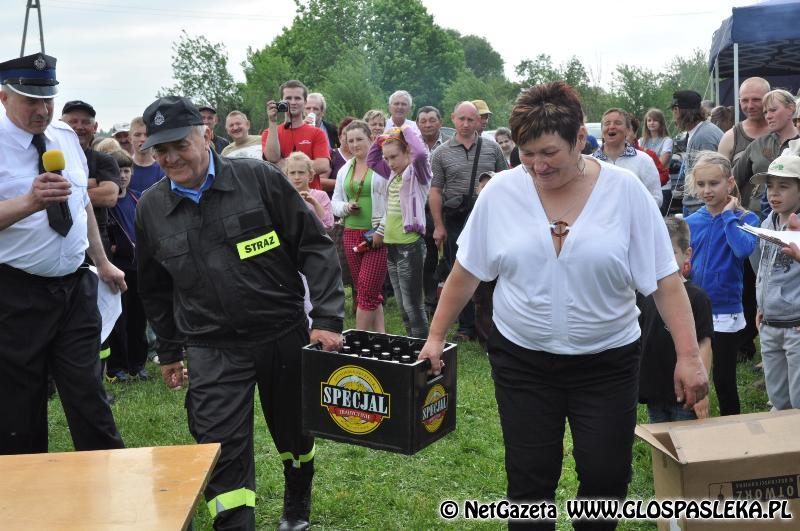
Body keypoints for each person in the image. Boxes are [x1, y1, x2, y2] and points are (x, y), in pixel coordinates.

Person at [419, 82, 707, 531]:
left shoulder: (625, 192)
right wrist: (436, 336)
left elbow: (666, 282)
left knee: (605, 478)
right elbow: (465, 271)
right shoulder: (501, 193)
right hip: (523, 360)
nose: (537, 165)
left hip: (607, 361)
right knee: (529, 482)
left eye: (549, 152)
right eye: (528, 153)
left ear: (579, 140)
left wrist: (689, 357)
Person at [135, 96, 344, 531]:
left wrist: (325, 319)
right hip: (212, 346)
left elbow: (314, 247)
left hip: (281, 333)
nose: (171, 157)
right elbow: (153, 287)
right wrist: (170, 350)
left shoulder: (259, 179)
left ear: (205, 136)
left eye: (179, 145)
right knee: (219, 447)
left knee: (294, 433)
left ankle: (297, 499)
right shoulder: (151, 207)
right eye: (160, 150)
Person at [0, 52, 126, 455]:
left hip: (75, 287)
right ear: (3, 97)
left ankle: (108, 482)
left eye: (48, 99)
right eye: (29, 100)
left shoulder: (66, 138)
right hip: (17, 293)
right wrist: (27, 202)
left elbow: (82, 206)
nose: (42, 110)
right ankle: (24, 497)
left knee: (88, 391)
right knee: (21, 403)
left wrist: (102, 261)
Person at [685, 151, 758, 416]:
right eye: (701, 184)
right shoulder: (691, 222)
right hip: (694, 309)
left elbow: (741, 250)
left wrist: (728, 216)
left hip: (726, 310)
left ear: (729, 183)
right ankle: (693, 423)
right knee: (694, 371)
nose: (706, 190)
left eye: (713, 184)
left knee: (724, 378)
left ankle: (731, 428)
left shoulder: (747, 220)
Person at [429, 101, 508, 342]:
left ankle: (496, 323)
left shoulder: (492, 148)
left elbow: (505, 181)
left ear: (479, 121)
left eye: (470, 119)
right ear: (453, 119)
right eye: (461, 119)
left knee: (493, 271)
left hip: (488, 216)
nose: (465, 124)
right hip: (455, 218)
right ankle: (466, 326)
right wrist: (438, 225)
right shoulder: (440, 152)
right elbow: (435, 191)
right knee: (459, 269)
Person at [638, 216, 714, 423]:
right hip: (655, 390)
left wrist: (702, 393)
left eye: (669, 253)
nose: (659, 259)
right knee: (661, 442)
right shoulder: (644, 295)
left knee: (687, 446)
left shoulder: (698, 298)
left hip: (686, 393)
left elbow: (704, 344)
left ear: (687, 254)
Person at [368, 125, 431, 338]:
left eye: (394, 157)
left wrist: (404, 130)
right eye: (387, 158)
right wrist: (380, 140)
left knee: (413, 304)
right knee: (403, 305)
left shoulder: (418, 173)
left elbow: (421, 153)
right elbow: (372, 161)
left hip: (410, 246)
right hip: (392, 245)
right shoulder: (392, 173)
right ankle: (411, 346)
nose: (390, 163)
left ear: (407, 153)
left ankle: (423, 348)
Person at [751, 155, 800, 410]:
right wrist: (761, 305)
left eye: (784, 186)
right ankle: (779, 448)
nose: (774, 193)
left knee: (798, 400)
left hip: (796, 327)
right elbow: (764, 268)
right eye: (770, 186)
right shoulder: (767, 222)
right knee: (778, 399)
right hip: (770, 324)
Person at [332, 120, 388, 332]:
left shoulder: (382, 166)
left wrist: (382, 230)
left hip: (375, 235)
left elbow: (393, 201)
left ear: (371, 139)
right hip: (350, 234)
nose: (355, 144)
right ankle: (380, 336)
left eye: (359, 139)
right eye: (350, 140)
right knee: (367, 291)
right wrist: (346, 207)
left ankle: (359, 339)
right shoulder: (344, 169)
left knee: (365, 292)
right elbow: (334, 203)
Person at [106, 149, 148, 382]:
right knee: (118, 320)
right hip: (116, 269)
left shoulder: (137, 198)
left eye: (126, 171)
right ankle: (117, 367)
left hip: (137, 267)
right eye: (118, 171)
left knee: (138, 318)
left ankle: (137, 364)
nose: (122, 176)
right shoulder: (107, 204)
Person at [61, 100, 121, 257]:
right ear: (61, 124)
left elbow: (108, 197)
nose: (79, 127)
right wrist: (89, 184)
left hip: (98, 241)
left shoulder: (104, 160)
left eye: (85, 122)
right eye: (73, 121)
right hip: (57, 240)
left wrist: (60, 192)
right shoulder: (45, 156)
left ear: (95, 128)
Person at [733, 89, 799, 219]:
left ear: (791, 109)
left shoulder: (798, 144)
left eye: (773, 110)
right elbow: (733, 180)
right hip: (757, 219)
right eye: (765, 112)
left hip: (794, 221)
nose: (768, 116)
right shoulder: (758, 144)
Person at [263, 80, 333, 191]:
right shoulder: (269, 132)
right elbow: (272, 158)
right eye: (288, 98)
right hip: (281, 196)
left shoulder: (317, 132)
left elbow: (323, 165)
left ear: (305, 102)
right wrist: (272, 121)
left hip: (311, 198)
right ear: (281, 101)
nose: (293, 102)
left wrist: (285, 165)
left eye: (297, 98)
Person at [592, 108, 662, 207]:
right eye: (607, 123)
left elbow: (656, 197)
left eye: (618, 123)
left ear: (628, 130)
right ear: (602, 130)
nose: (612, 126)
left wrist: (634, 215)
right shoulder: (590, 163)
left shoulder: (644, 160)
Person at [672, 90, 724, 216]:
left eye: (673, 110)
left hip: (701, 209)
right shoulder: (699, 132)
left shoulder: (704, 136)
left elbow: (710, 178)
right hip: (697, 207)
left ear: (677, 111)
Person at [718, 77, 771, 163]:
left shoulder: (782, 132)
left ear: (768, 99)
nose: (750, 106)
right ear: (739, 102)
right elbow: (721, 174)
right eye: (745, 100)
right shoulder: (730, 138)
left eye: (756, 100)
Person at [286, 152, 334, 230]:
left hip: (316, 241)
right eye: (292, 173)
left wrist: (314, 203)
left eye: (301, 172)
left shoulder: (321, 195)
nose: (297, 177)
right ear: (286, 175)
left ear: (311, 175)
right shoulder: (283, 197)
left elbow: (329, 225)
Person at [640, 108, 674, 212]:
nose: (651, 123)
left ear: (661, 122)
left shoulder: (667, 141)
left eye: (655, 120)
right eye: (649, 120)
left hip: (662, 187)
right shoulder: (641, 141)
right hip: (644, 188)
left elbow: (661, 164)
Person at [129, 116, 165, 195]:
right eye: (137, 135)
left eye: (147, 135)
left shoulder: (163, 171)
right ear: (130, 139)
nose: (143, 139)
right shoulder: (123, 169)